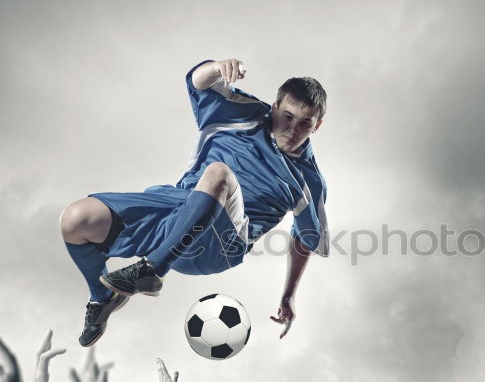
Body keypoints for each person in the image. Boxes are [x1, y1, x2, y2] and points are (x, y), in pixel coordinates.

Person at [59, 58, 330, 347]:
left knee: (219, 174)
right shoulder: (242, 113)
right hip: (178, 210)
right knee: (75, 219)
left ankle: (153, 271)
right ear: (275, 108)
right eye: (287, 116)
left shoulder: (308, 181)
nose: (292, 129)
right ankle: (102, 297)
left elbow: (305, 239)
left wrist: (288, 296)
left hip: (220, 245)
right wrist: (217, 66)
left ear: (317, 126)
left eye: (305, 124)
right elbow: (199, 81)